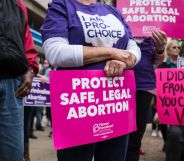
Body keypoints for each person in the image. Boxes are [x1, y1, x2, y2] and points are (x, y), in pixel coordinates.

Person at [41, 0, 141, 161]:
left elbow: (133, 48)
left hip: (116, 102)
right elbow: (55, 52)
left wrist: (124, 61)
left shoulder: (113, 11)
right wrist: (111, 52)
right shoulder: (61, 5)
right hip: (78, 103)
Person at [0, 0, 38, 161]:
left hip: (12, 87)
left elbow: (27, 45)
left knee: (13, 154)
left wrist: (30, 70)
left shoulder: (18, 5)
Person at [125, 31, 167, 161]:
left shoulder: (153, 29)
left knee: (135, 139)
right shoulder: (118, 18)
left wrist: (160, 49)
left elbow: (156, 61)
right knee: (114, 139)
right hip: (118, 83)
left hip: (144, 86)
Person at [158, 40, 184, 161]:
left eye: (179, 47)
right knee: (175, 134)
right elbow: (160, 90)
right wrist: (158, 110)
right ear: (168, 50)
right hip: (170, 109)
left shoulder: (183, 65)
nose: (177, 49)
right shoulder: (162, 67)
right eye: (174, 47)